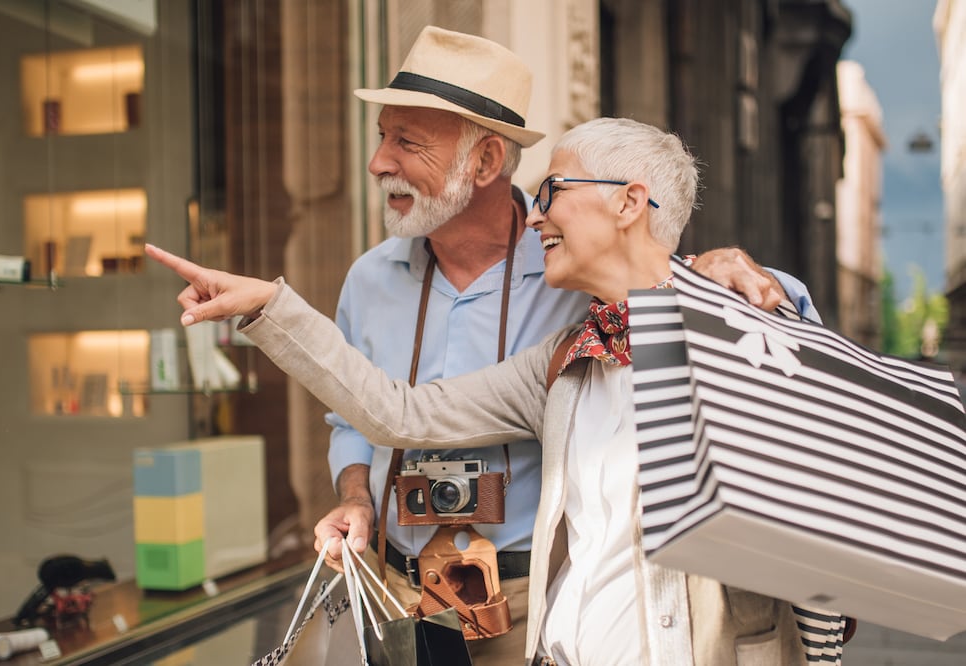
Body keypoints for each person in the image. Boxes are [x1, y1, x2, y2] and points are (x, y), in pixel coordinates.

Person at [145, 116, 845, 665]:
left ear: (630, 203)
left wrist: (772, 294)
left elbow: (828, 496)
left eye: (553, 194)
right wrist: (269, 306)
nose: (536, 216)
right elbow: (399, 412)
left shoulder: (737, 330)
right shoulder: (567, 361)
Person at [293, 25, 818, 664]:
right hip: (413, 594)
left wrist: (731, 278)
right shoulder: (564, 354)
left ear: (485, 162)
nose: (378, 162)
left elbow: (733, 307)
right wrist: (354, 497)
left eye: (407, 142)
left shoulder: (620, 301)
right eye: (382, 137)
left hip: (530, 602)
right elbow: (381, 413)